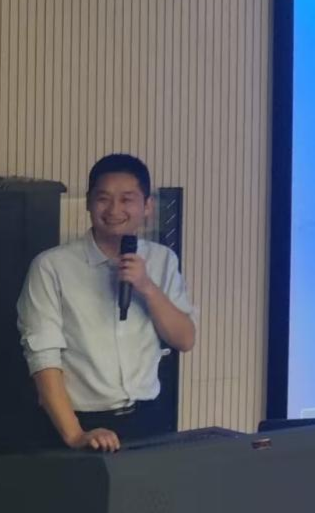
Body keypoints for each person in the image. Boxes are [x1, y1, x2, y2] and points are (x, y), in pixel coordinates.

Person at [16, 154, 197, 451]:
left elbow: (185, 339)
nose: (114, 210)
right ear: (88, 203)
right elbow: (43, 359)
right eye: (103, 199)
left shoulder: (162, 260)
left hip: (150, 418)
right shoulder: (51, 266)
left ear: (147, 206)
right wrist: (76, 435)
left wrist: (147, 287)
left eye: (127, 199)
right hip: (80, 422)